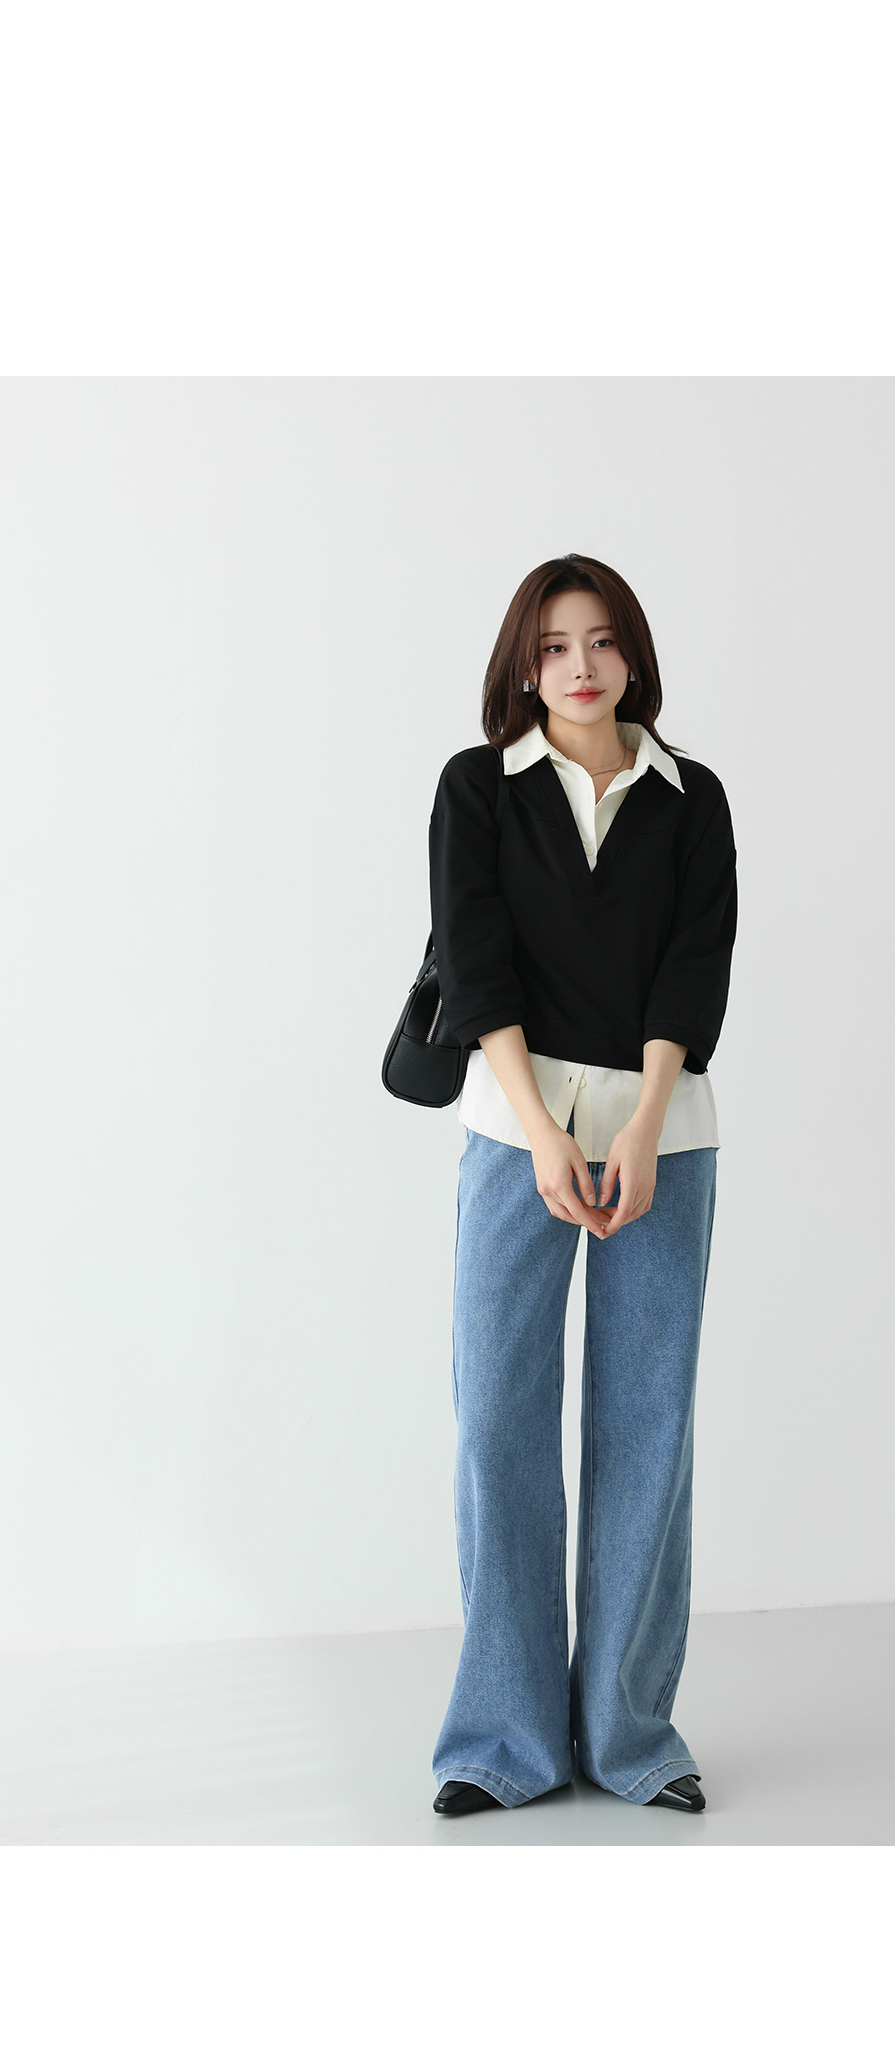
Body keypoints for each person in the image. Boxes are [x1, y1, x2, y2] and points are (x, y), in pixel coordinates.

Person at [426, 553, 738, 1817]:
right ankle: (502, 1741)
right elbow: (476, 962)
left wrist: (644, 1122)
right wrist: (539, 1129)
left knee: (646, 1428)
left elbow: (694, 966)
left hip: (665, 1136)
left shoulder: (690, 798)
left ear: (632, 656)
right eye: (553, 646)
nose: (580, 666)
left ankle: (628, 1734)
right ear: (523, 665)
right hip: (516, 1136)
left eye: (602, 640)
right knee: (498, 1421)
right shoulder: (478, 788)